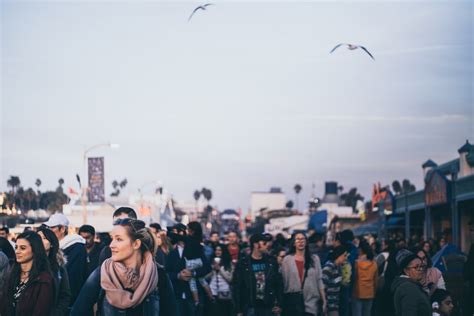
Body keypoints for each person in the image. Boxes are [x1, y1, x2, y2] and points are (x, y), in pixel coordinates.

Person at [71, 218, 177, 316]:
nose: (111, 245)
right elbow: (78, 312)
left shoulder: (158, 275)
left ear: (136, 244)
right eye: (112, 239)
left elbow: (171, 312)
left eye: (119, 239)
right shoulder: (103, 273)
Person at [0, 231, 55, 316]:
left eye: (22, 248)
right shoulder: (11, 274)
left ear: (35, 250)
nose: (17, 251)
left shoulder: (43, 280)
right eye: (16, 247)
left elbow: (41, 311)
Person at [166, 222, 211, 316]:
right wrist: (178, 276)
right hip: (177, 296)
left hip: (194, 296)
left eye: (176, 232)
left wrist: (193, 273)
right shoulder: (171, 254)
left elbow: (207, 268)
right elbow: (167, 273)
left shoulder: (196, 248)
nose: (174, 235)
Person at [232, 233, 283, 316]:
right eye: (264, 243)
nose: (267, 245)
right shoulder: (243, 263)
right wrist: (238, 309)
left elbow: (278, 283)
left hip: (268, 306)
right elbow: (237, 286)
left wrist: (279, 304)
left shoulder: (271, 262)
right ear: (256, 245)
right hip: (249, 306)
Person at [45, 213, 87, 307]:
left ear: (62, 229)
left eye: (52, 227)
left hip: (69, 302)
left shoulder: (77, 248)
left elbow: (74, 278)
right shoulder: (54, 247)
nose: (49, 231)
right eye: (48, 228)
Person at [281, 232, 326, 316]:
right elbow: (283, 281)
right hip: (293, 302)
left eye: (302, 239)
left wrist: (324, 300)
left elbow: (319, 279)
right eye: (297, 239)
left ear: (306, 242)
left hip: (312, 301)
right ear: (294, 243)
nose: (300, 241)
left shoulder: (314, 259)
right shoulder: (287, 260)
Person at [37, 227, 72, 316]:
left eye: (44, 238)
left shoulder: (59, 266)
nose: (40, 241)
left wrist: (57, 313)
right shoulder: (28, 263)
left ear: (52, 243)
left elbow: (65, 295)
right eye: (38, 238)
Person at [391, 249, 431, 316]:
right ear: (406, 271)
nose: (420, 269)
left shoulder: (410, 285)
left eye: (421, 266)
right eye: (416, 267)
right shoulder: (408, 288)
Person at [206, 243, 234, 316]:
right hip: (212, 293)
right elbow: (206, 278)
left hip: (224, 293)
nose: (217, 252)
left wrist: (220, 269)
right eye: (216, 250)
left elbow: (230, 279)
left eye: (220, 250)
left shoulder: (229, 263)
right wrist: (212, 270)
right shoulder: (210, 262)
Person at [351, 240, 377, 316]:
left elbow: (354, 278)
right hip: (370, 292)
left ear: (361, 250)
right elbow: (375, 280)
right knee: (367, 313)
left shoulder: (356, 263)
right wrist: (374, 292)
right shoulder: (374, 264)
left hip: (358, 292)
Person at [322, 246, 348, 316]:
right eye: (344, 256)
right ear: (338, 255)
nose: (346, 258)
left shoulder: (338, 267)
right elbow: (322, 287)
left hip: (335, 305)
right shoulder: (329, 268)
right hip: (329, 306)